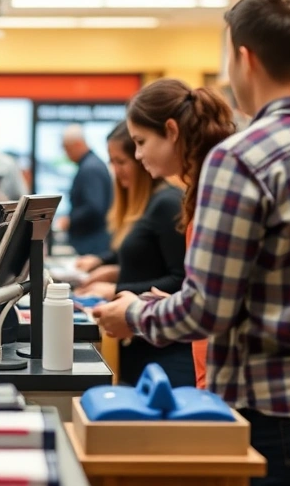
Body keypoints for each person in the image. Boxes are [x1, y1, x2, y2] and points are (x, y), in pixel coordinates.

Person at [93, 0, 290, 486]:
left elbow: (206, 309)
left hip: (281, 416)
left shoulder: (241, 161)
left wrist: (134, 314)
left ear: (244, 57)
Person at [124, 78, 237, 389]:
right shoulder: (198, 192)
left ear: (171, 131)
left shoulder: (214, 196)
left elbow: (217, 307)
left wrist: (136, 314)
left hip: (223, 376)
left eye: (141, 141)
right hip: (209, 370)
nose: (136, 155)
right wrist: (175, 301)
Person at [74, 123, 191, 387]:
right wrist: (108, 266)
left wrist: (116, 288)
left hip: (164, 355)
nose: (116, 171)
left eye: (122, 161)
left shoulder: (167, 203)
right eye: (112, 162)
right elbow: (145, 260)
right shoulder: (147, 204)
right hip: (140, 348)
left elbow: (180, 281)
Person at [60, 123, 113, 257]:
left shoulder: (90, 169)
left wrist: (70, 220)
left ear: (78, 144)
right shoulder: (91, 164)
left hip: (92, 242)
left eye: (67, 149)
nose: (66, 154)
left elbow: (94, 207)